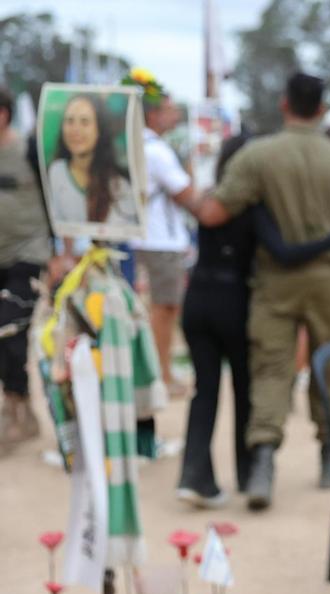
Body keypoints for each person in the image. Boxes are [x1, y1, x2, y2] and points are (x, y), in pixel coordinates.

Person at [194, 72, 330, 510]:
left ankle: (262, 463)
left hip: (273, 282)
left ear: (284, 104)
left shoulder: (259, 157)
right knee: (327, 366)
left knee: (271, 368)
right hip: (327, 282)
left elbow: (215, 212)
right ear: (320, 108)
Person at [178, 132, 330, 507]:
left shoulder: (210, 201)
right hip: (232, 302)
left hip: (196, 300)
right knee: (247, 387)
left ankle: (194, 477)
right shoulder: (252, 208)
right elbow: (284, 253)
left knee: (204, 391)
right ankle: (249, 471)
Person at [127, 81, 195, 399]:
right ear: (153, 115)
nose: (174, 115)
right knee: (163, 309)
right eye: (168, 109)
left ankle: (159, 372)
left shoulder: (139, 145)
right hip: (161, 241)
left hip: (149, 240)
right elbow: (185, 192)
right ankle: (161, 376)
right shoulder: (156, 150)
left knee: (159, 308)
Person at [0, 87, 52, 450]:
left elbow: (59, 199)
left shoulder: (30, 152)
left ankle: (14, 410)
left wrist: (64, 252)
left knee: (11, 330)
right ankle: (23, 407)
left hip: (29, 253)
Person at [46, 93, 138, 226]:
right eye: (70, 121)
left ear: (99, 130)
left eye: (85, 122)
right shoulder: (55, 172)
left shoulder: (119, 186)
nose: (75, 130)